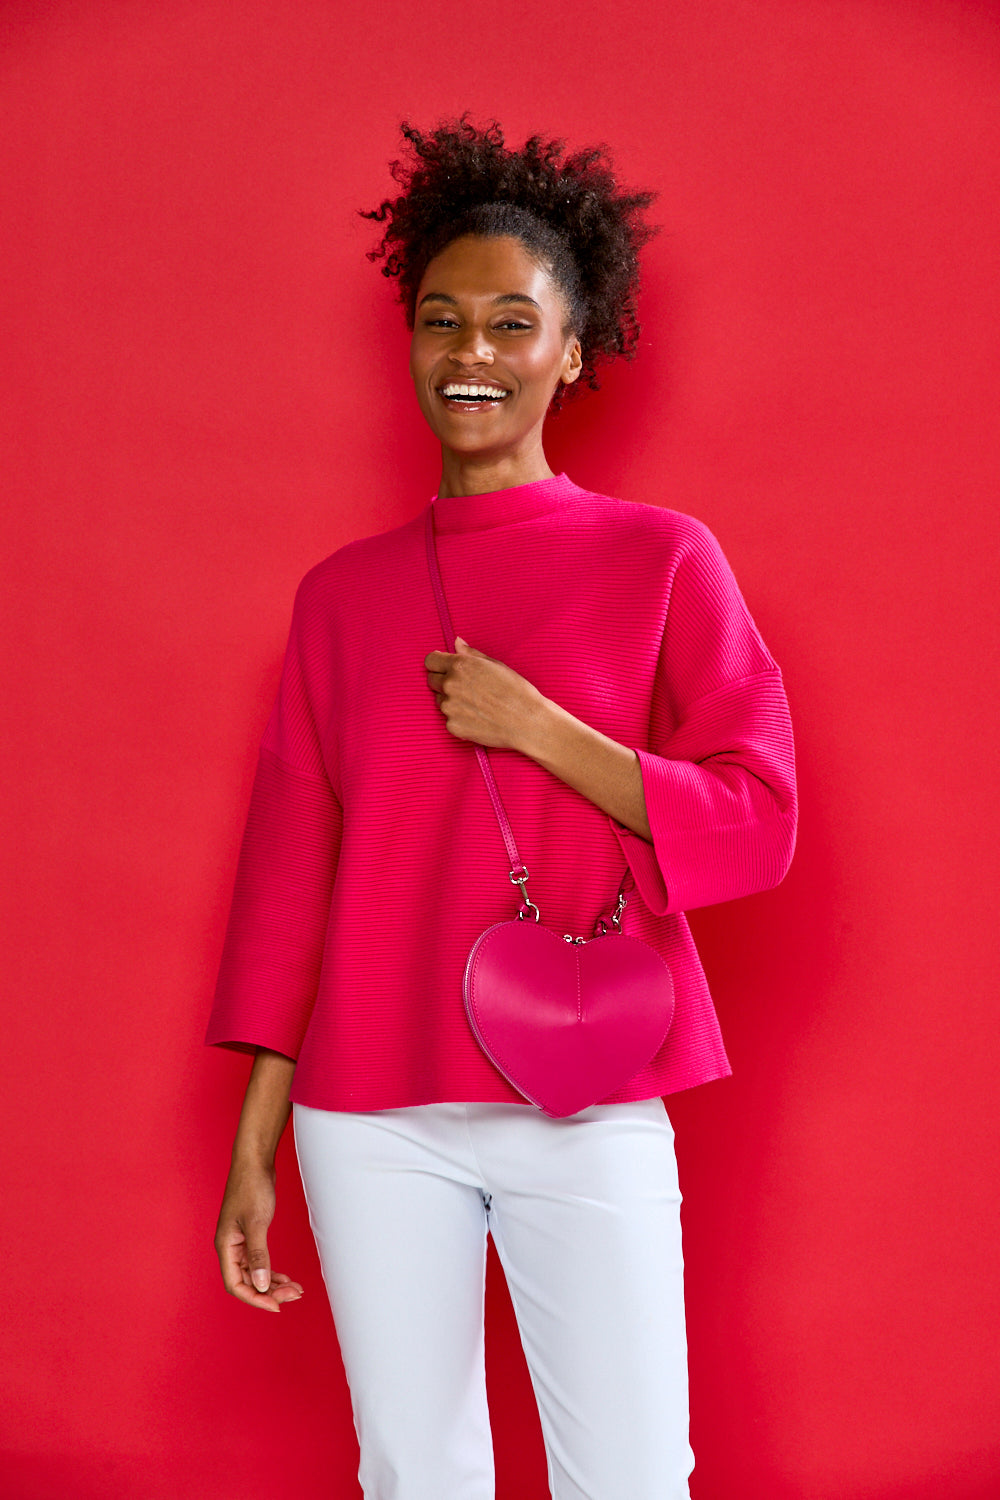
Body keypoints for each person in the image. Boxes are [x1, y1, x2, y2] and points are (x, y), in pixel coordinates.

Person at [208, 118, 796, 1500]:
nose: (470, 351)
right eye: (441, 320)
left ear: (573, 351)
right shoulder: (339, 596)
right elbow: (293, 871)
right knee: (414, 1474)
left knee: (633, 1474)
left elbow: (759, 815)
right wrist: (256, 1142)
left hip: (584, 1088)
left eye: (512, 323)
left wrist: (543, 730)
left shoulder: (662, 559)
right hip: (369, 1107)